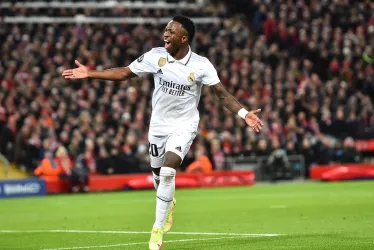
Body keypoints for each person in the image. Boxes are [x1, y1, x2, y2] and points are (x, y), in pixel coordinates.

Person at [62, 15, 263, 250]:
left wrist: (243, 113)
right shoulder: (155, 56)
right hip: (158, 126)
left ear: (184, 38)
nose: (165, 34)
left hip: (184, 126)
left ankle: (157, 230)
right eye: (165, 30)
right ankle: (168, 203)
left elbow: (223, 95)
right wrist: (90, 74)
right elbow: (125, 72)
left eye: (171, 31)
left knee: (168, 172)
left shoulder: (201, 65)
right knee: (158, 176)